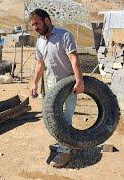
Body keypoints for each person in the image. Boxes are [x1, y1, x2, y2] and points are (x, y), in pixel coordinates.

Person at [29, 9, 85, 167]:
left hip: (68, 85)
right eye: (33, 25)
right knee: (53, 117)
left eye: (37, 23)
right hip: (51, 85)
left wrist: (79, 81)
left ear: (47, 20)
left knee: (65, 118)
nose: (35, 27)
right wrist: (34, 83)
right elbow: (40, 64)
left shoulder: (64, 35)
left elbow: (74, 59)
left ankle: (65, 152)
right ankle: (63, 143)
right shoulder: (40, 41)